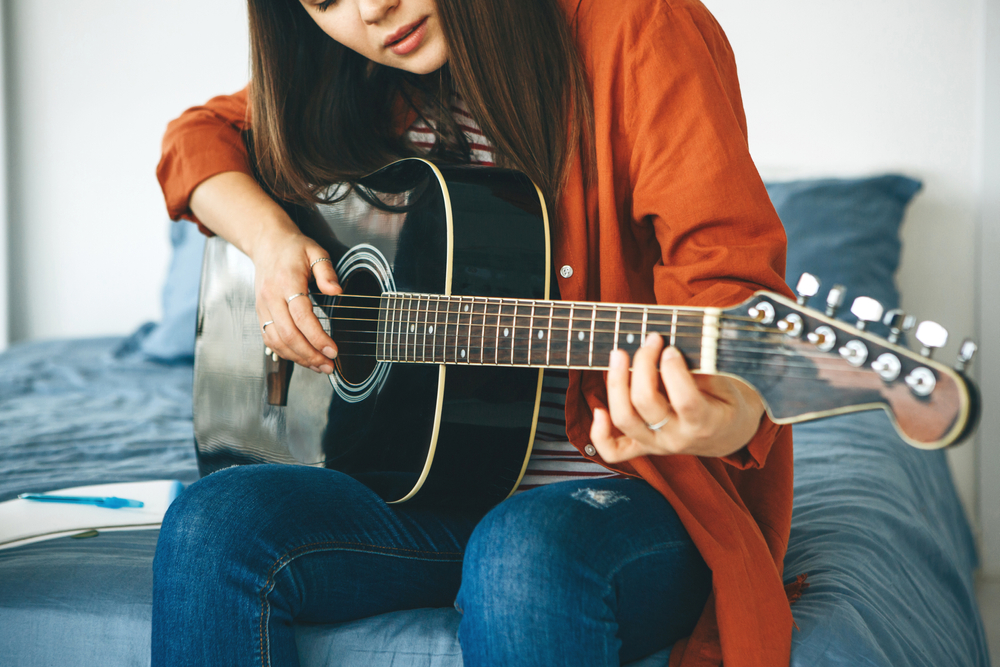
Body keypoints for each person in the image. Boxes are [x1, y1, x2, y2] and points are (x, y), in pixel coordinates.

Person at [152, 0, 801, 665]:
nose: (373, 9)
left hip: (626, 503)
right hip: (430, 494)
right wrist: (269, 239)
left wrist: (724, 411)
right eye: (325, 1)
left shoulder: (639, 28)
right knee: (212, 522)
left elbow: (734, 305)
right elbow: (193, 140)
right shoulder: (354, 75)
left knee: (521, 550)